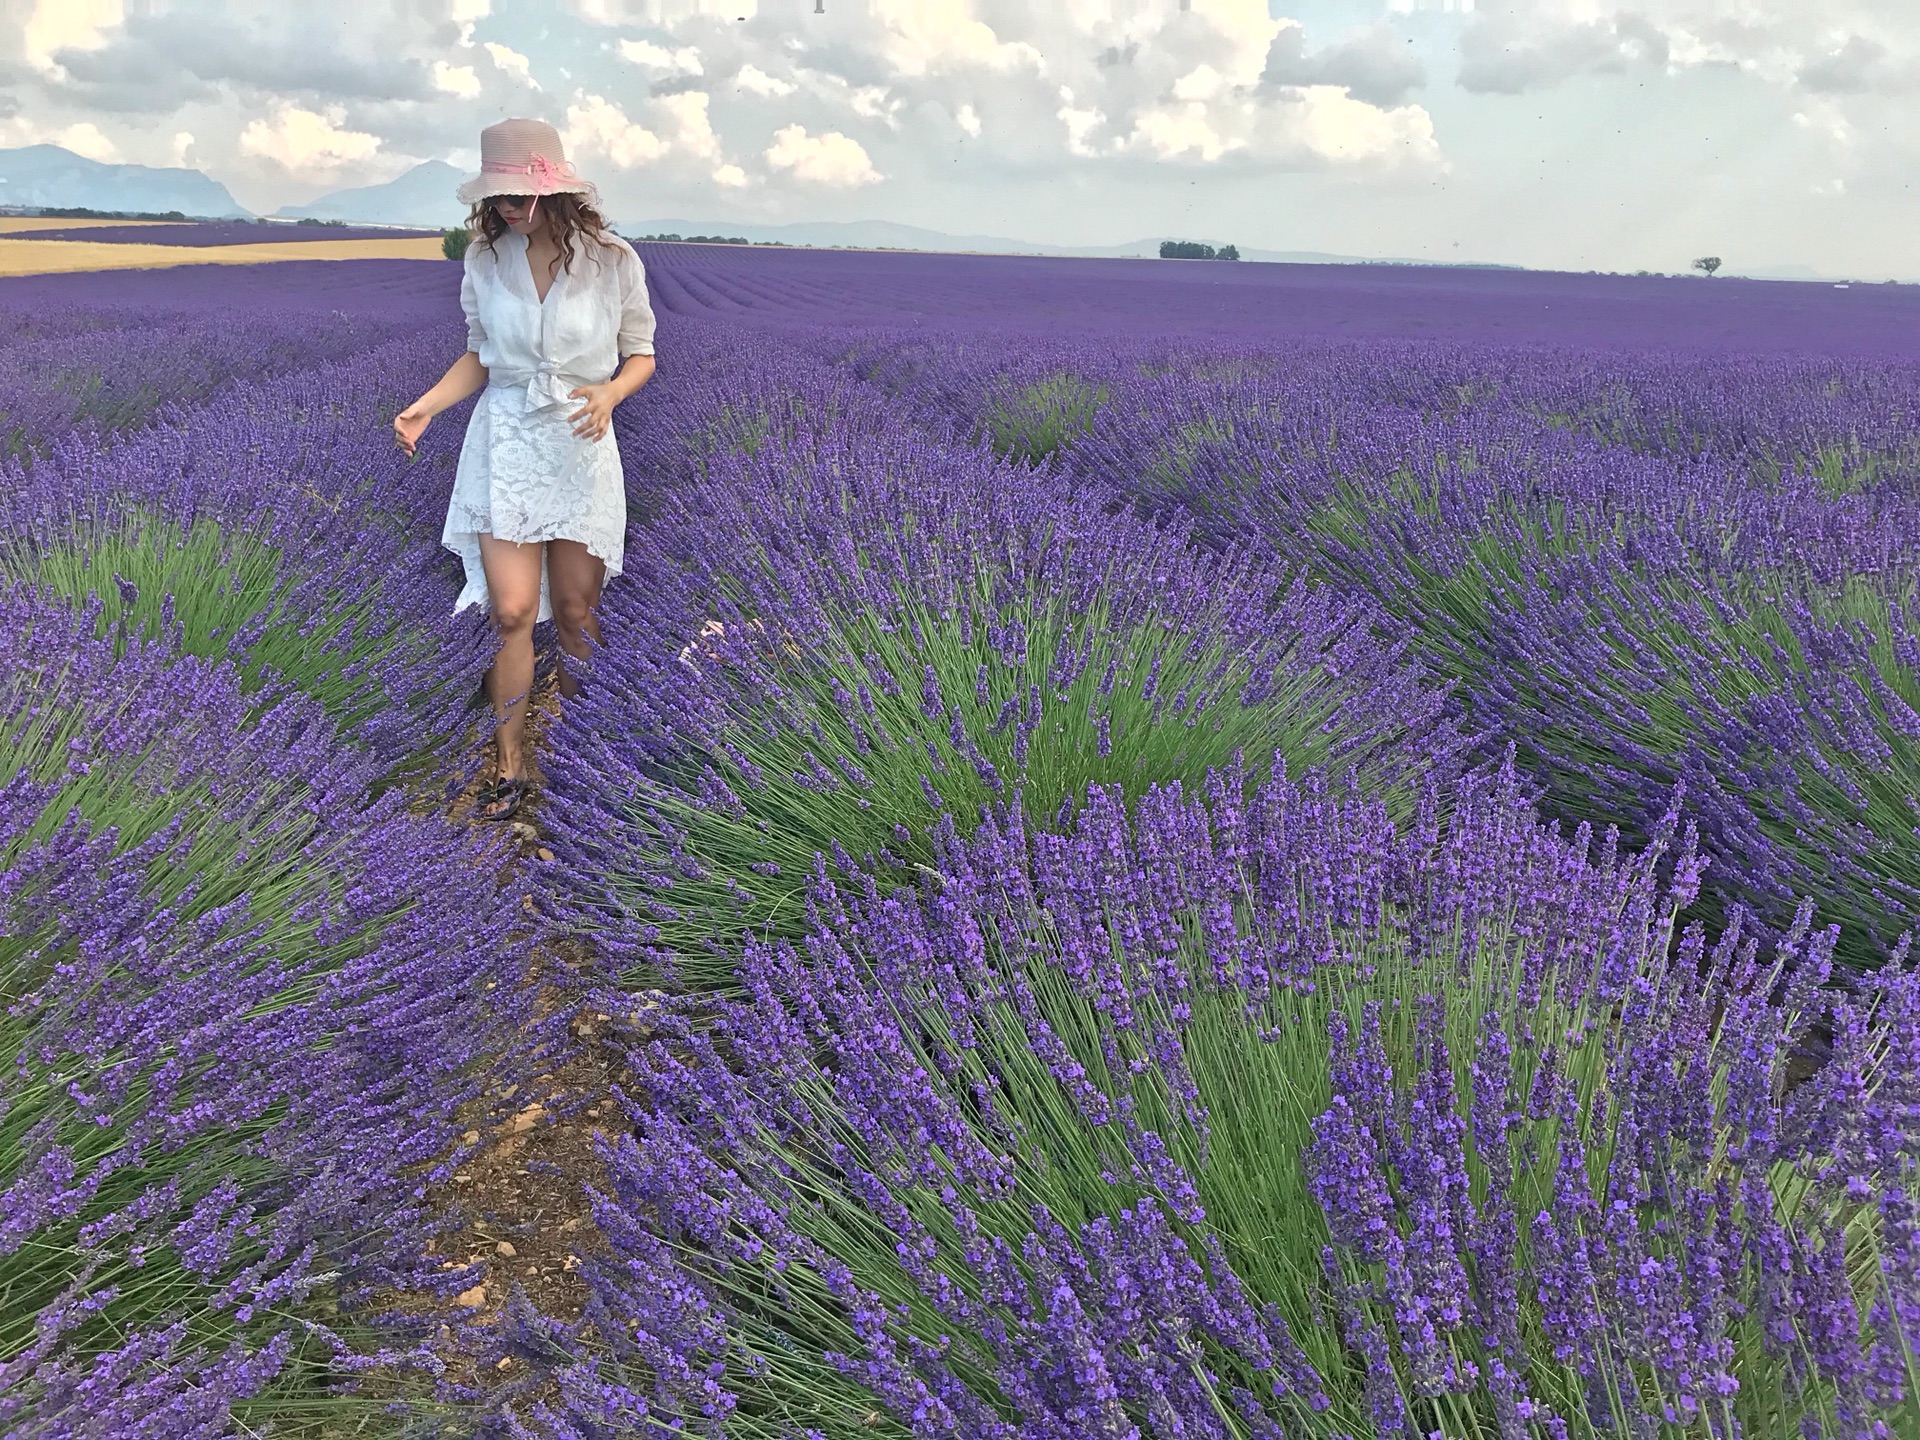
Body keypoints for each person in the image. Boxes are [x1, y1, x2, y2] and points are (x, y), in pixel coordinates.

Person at [394, 117, 656, 822]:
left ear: (557, 192)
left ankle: (576, 754)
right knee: (510, 611)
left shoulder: (612, 261)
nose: (511, 206)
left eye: (523, 194)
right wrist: (425, 407)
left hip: (578, 441)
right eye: (501, 195)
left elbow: (642, 353)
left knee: (575, 613)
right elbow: (481, 353)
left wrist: (610, 393)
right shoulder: (484, 259)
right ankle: (510, 766)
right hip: (506, 440)